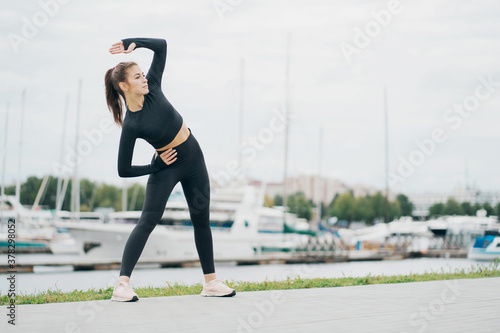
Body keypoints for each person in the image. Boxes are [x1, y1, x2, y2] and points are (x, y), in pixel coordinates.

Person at [104, 37, 236, 301]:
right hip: (166, 166)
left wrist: (133, 42)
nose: (144, 79)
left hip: (193, 156)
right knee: (148, 220)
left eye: (143, 74)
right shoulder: (132, 124)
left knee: (201, 219)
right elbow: (123, 169)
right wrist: (154, 165)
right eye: (137, 77)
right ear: (123, 85)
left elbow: (162, 45)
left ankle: (211, 282)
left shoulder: (152, 86)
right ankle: (122, 285)